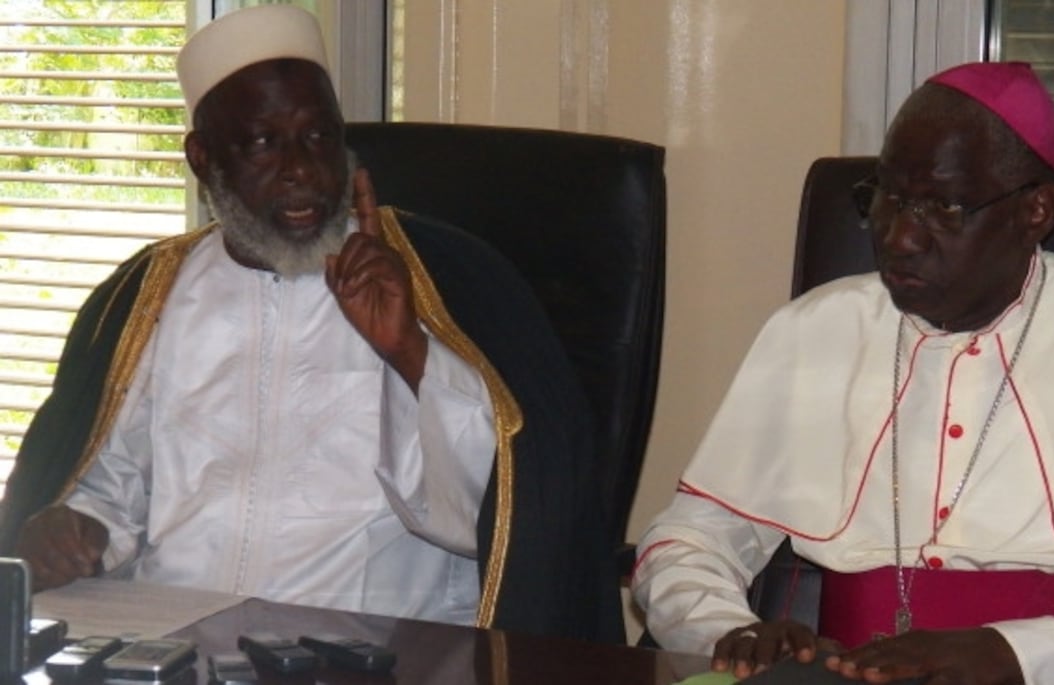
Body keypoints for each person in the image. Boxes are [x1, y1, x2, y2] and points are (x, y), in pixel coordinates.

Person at [0, 4, 622, 644]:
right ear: (201, 157)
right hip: (172, 642)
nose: (300, 168)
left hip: (378, 652)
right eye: (263, 142)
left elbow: (511, 509)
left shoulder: (447, 281)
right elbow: (112, 481)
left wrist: (411, 353)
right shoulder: (145, 297)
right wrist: (76, 524)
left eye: (319, 137)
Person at [631, 61, 1054, 683]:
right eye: (888, 197)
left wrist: (1020, 654)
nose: (900, 236)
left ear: (1036, 211)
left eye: (944, 207)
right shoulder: (817, 330)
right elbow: (684, 544)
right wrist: (727, 629)